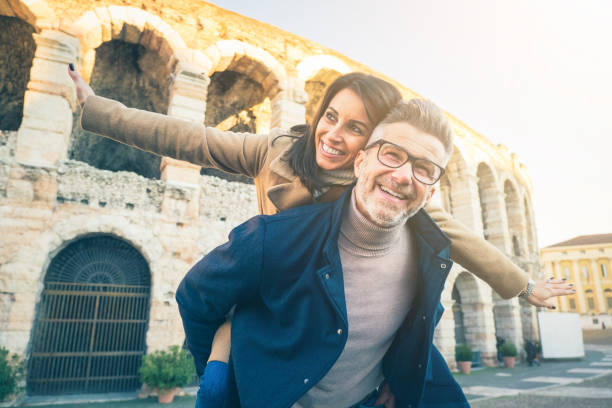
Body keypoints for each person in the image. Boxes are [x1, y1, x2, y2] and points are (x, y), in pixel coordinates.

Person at [67, 67, 573, 405]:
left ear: (371, 147)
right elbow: (188, 139)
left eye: (355, 128)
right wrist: (95, 108)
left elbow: (451, 232)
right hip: (271, 302)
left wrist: (523, 286)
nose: (334, 134)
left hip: (333, 308)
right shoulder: (276, 151)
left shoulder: (380, 182)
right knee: (218, 390)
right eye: (330, 116)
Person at [176, 99, 567, 407]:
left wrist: (399, 376)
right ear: (360, 160)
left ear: (432, 193)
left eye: (424, 169)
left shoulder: (430, 256)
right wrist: (220, 370)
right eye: (392, 155)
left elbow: (425, 309)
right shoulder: (272, 236)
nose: (402, 175)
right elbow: (195, 297)